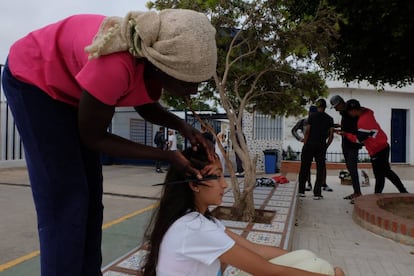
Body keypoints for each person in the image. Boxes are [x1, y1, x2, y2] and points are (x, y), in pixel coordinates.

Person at [1, 9, 217, 276]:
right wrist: (168, 156)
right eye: (189, 83)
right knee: (67, 201)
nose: (193, 91)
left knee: (91, 198)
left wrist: (182, 126)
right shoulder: (115, 64)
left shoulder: (144, 55)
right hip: (33, 80)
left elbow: (146, 107)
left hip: (70, 89)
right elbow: (93, 137)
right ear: (164, 64)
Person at [142, 146, 345, 276]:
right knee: (321, 269)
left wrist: (301, 262)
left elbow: (255, 249)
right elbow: (267, 271)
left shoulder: (200, 220)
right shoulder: (194, 227)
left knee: (307, 256)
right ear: (194, 185)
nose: (225, 185)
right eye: (218, 177)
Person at [338, 99, 408, 195]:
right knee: (383, 174)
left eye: (349, 111)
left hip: (378, 150)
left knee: (384, 173)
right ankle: (382, 194)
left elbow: (359, 140)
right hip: (382, 147)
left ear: (353, 110)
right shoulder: (366, 113)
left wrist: (346, 134)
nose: (348, 114)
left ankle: (400, 192)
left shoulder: (363, 121)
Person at [298, 99, 334, 199]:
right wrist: (326, 145)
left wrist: (305, 143)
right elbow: (331, 135)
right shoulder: (329, 119)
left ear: (318, 107)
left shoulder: (312, 116)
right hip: (321, 145)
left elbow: (307, 131)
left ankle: (301, 191)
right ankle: (317, 193)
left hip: (309, 144)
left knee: (304, 167)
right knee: (320, 169)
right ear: (325, 107)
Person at [330, 95, 362, 202]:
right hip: (346, 143)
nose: (335, 109)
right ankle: (356, 191)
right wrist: (340, 127)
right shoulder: (344, 113)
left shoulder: (351, 112)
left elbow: (355, 128)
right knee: (350, 168)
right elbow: (348, 126)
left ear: (341, 103)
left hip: (352, 144)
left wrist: (345, 132)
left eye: (336, 106)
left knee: (352, 168)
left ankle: (358, 193)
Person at [291, 106, 317, 191]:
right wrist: (300, 138)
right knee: (305, 166)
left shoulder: (318, 122)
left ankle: (321, 185)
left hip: (317, 145)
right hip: (307, 144)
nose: (312, 115)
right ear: (309, 113)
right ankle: (307, 183)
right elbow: (293, 130)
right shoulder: (303, 121)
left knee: (321, 166)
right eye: (311, 113)